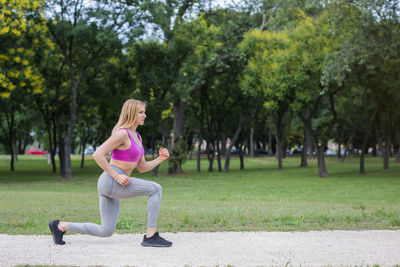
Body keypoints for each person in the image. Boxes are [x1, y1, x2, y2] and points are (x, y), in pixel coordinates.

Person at [49, 99, 172, 247]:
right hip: (111, 181)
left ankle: (61, 226)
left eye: (144, 112)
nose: (144, 115)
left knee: (106, 230)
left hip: (115, 183)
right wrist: (116, 175)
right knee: (156, 188)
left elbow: (142, 167)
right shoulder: (122, 134)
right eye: (141, 112)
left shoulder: (137, 137)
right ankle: (151, 236)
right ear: (131, 113)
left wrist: (160, 159)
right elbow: (97, 154)